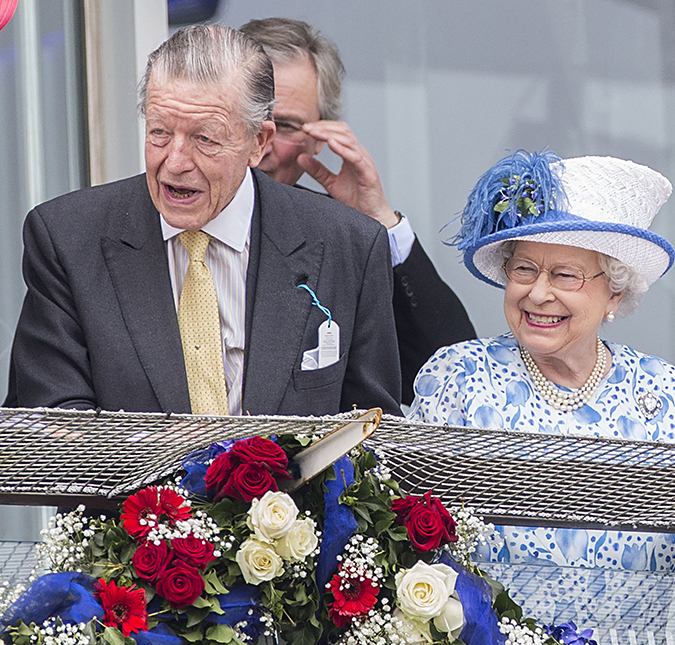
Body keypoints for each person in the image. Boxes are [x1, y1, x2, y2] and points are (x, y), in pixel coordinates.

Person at [3, 25, 401, 417]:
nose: (174, 163)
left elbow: (371, 436)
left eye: (204, 139)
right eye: (159, 132)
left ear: (258, 143)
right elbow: (53, 431)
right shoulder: (66, 238)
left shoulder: (347, 245)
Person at [409, 150, 675, 637]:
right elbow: (411, 542)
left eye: (565, 275)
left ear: (615, 294)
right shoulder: (459, 377)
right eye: (525, 269)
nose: (537, 293)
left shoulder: (665, 393)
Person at [239, 17, 476, 404]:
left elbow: (452, 375)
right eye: (250, 116)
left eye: (284, 125)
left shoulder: (340, 235)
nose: (261, 141)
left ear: (320, 141)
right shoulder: (161, 213)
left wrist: (377, 220)